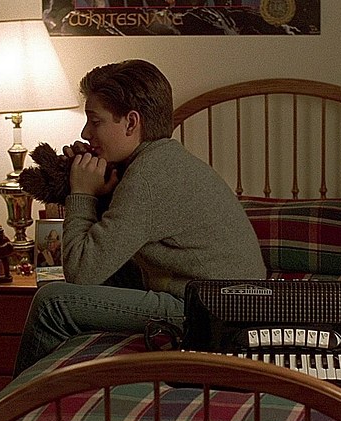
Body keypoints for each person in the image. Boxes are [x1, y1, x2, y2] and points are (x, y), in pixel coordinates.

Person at [14, 59, 266, 375]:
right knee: (112, 275)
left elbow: (81, 272)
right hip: (224, 300)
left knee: (52, 302)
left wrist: (81, 193)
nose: (85, 132)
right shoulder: (160, 160)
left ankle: (18, 401)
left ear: (131, 123)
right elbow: (109, 252)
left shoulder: (146, 179)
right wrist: (103, 191)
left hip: (212, 312)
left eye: (95, 121)